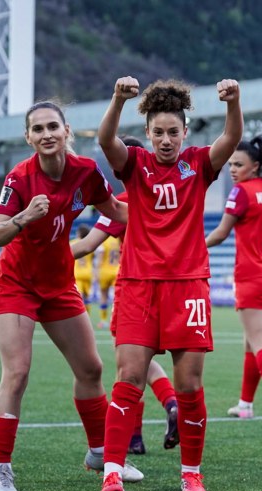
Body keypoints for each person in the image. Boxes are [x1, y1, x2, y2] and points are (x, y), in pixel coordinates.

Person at [96, 75, 242, 491]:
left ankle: (191, 473)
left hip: (188, 286)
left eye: (173, 132)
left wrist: (233, 102)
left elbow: (231, 137)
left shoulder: (199, 163)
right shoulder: (134, 165)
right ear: (147, 133)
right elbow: (106, 141)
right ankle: (112, 472)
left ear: (185, 131)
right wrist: (117, 100)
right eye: (158, 132)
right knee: (129, 378)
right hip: (138, 284)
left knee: (190, 385)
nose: (165, 140)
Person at [0, 100, 137, 491]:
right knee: (17, 373)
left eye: (53, 126)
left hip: (59, 284)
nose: (47, 134)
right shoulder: (19, 178)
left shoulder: (86, 171)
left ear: (66, 131)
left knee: (91, 368)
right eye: (38, 129)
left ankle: (100, 453)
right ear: (28, 137)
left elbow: (115, 211)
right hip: (17, 284)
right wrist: (24, 217)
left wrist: (165, 214)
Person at [71, 135, 180, 456]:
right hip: (174, 286)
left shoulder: (121, 200)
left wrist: (44, 254)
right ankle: (171, 402)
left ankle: (134, 437)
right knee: (144, 363)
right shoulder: (170, 193)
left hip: (135, 287)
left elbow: (87, 245)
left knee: (129, 367)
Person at [205, 136, 262, 427]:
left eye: (238, 165)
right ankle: (245, 404)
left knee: (260, 343)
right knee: (252, 342)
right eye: (231, 165)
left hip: (252, 276)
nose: (232, 170)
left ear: (255, 166)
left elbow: (221, 232)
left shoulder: (241, 192)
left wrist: (193, 246)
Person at [96, 225, 121, 329]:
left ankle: (103, 320)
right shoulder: (118, 239)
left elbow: (99, 258)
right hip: (116, 270)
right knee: (117, 297)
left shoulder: (103, 240)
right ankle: (115, 319)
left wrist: (96, 272)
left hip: (104, 271)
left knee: (103, 295)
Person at [72, 224, 94, 312]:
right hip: (88, 273)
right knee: (87, 297)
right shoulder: (90, 244)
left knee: (78, 297)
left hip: (77, 273)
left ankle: (79, 314)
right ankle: (88, 315)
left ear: (79, 233)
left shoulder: (73, 242)